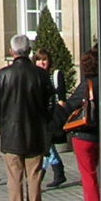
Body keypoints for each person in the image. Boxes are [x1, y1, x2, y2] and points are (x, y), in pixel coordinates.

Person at [0, 33, 55, 201]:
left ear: (12, 52)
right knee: (34, 177)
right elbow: (50, 103)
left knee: (14, 178)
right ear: (30, 52)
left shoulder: (3, 75)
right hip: (35, 131)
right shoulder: (41, 75)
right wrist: (45, 121)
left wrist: (3, 123)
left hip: (11, 133)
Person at [66, 49, 101, 201]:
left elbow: (72, 104)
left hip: (84, 134)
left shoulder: (86, 84)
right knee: (93, 175)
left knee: (88, 177)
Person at [32, 48, 67, 188]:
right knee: (47, 146)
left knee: (46, 147)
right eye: (39, 60)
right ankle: (58, 172)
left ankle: (41, 176)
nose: (42, 63)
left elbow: (61, 98)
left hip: (52, 117)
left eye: (44, 60)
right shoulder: (34, 76)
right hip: (40, 117)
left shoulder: (55, 75)